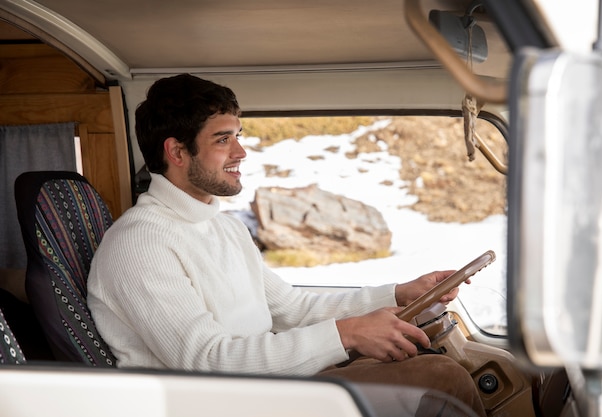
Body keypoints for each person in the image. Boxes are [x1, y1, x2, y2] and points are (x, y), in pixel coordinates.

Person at [87, 73, 486, 416]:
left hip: (269, 390)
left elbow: (293, 309)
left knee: (426, 359)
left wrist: (399, 293)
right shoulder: (138, 244)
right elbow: (206, 361)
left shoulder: (224, 228)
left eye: (238, 136)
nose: (241, 152)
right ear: (176, 151)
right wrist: (346, 334)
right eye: (223, 140)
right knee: (439, 379)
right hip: (222, 405)